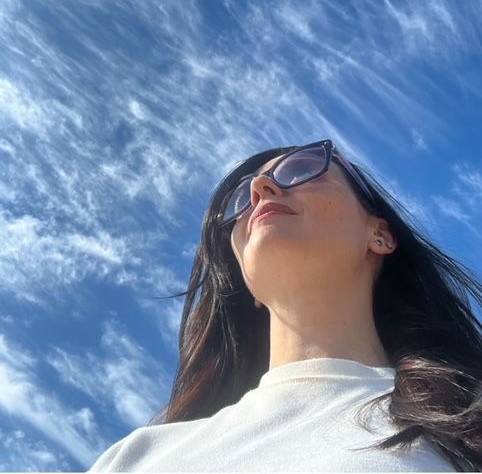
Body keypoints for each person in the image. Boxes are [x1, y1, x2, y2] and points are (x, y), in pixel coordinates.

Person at [89, 138, 482, 472]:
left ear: (380, 235)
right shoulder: (137, 457)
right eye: (240, 199)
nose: (260, 188)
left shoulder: (466, 426)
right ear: (249, 285)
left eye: (301, 168)